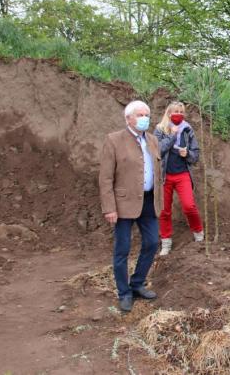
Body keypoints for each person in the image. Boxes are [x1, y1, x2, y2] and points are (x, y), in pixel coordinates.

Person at [99, 100, 162, 312]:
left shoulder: (152, 140)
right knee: (122, 249)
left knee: (153, 243)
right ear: (128, 119)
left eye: (147, 114)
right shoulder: (114, 140)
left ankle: (137, 283)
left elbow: (157, 172)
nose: (145, 118)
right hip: (123, 203)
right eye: (140, 115)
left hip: (148, 201)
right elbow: (105, 178)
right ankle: (124, 292)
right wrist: (109, 207)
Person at [153, 101, 204, 256]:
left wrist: (187, 153)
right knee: (164, 211)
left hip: (182, 174)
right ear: (168, 113)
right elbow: (158, 151)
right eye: (175, 111)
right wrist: (172, 135)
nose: (178, 114)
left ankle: (198, 233)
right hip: (165, 176)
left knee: (189, 206)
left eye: (181, 112)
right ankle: (166, 243)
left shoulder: (188, 130)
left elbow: (195, 155)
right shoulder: (159, 130)